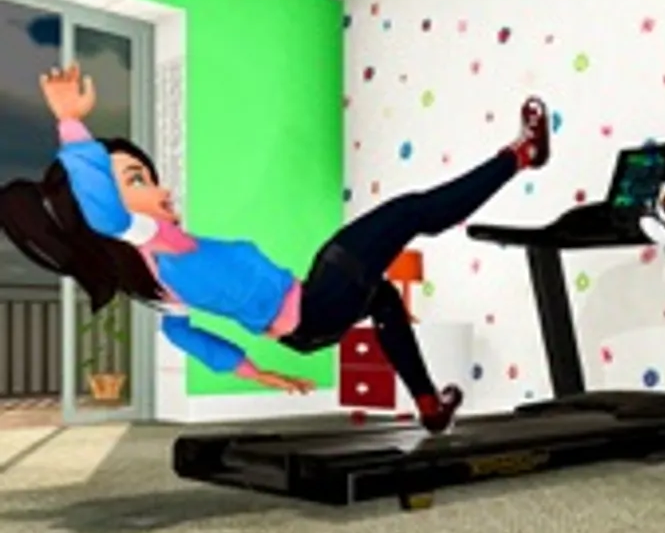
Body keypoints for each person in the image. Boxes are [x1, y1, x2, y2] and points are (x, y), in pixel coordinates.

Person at [0, 63, 550, 434]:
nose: (162, 190)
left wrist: (260, 374)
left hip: (304, 328)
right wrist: (70, 122)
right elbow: (106, 214)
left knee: (383, 299)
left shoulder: (158, 291)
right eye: (138, 180)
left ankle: (429, 406)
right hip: (315, 306)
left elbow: (186, 338)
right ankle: (522, 155)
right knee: (407, 214)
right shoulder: (153, 243)